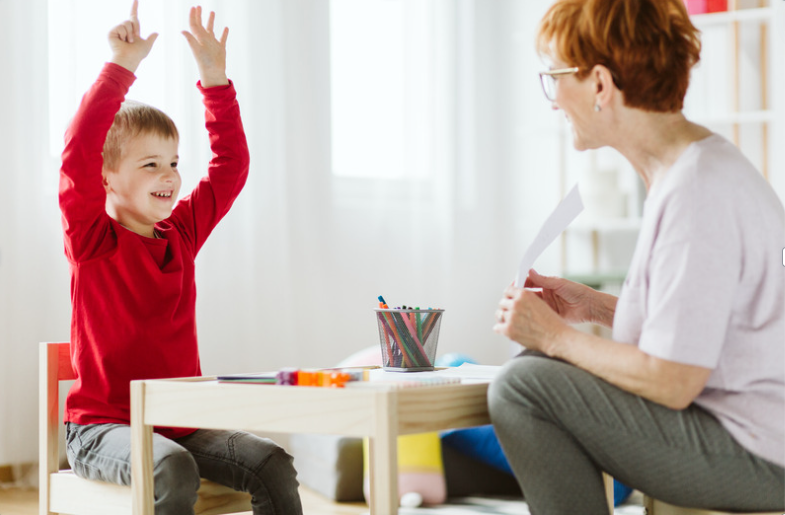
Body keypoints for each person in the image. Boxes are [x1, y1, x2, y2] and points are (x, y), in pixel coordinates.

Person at [488, 0, 785, 513]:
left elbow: (672, 379)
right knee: (534, 368)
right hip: (756, 439)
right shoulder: (697, 169)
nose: (553, 99)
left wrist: (555, 336)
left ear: (600, 85)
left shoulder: (697, 192)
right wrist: (592, 307)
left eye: (556, 76)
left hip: (758, 454)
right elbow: (699, 325)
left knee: (523, 385)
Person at [58, 2, 303, 514]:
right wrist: (120, 67)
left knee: (272, 462)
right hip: (102, 430)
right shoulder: (92, 239)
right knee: (173, 466)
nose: (169, 175)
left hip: (178, 422)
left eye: (172, 162)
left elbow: (231, 166)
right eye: (150, 164)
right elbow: (79, 149)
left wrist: (215, 78)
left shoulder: (181, 235)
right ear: (107, 180)